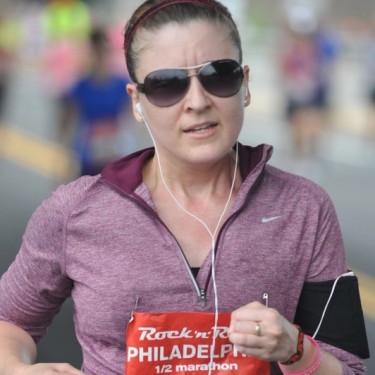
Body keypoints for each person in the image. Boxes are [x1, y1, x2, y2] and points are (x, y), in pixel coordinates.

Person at [0, 1, 369, 374]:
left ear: (245, 84)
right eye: (167, 85)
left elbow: (349, 368)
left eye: (218, 75)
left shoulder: (305, 208)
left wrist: (295, 350)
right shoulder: (74, 210)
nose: (197, 102)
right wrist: (17, 369)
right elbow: (9, 319)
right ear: (137, 101)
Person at [59, 27, 134, 176]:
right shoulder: (80, 86)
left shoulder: (121, 84)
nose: (98, 57)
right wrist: (65, 152)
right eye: (95, 52)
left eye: (102, 52)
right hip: (88, 154)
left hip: (116, 152)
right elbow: (67, 119)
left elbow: (132, 117)